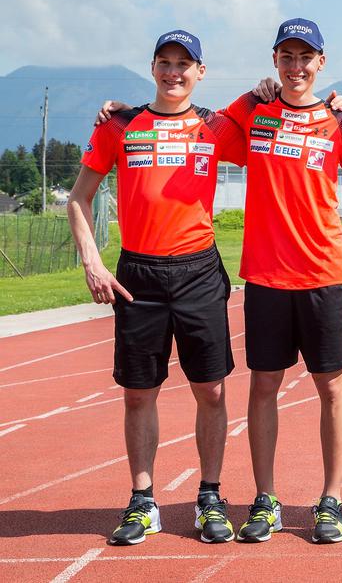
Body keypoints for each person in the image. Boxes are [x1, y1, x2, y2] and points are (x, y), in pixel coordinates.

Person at [68, 30, 245, 545]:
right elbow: (79, 197)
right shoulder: (120, 124)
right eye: (165, 63)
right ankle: (143, 501)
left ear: (200, 72)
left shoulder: (216, 127)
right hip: (138, 275)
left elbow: (276, 123)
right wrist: (92, 263)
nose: (174, 72)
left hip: (198, 271)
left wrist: (337, 104)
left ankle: (209, 495)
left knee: (211, 389)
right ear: (152, 68)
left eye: (184, 64)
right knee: (139, 393)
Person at [224, 18, 342, 544]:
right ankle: (266, 500)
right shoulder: (252, 112)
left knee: (331, 387)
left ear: (321, 63)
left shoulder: (340, 122)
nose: (296, 66)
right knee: (264, 385)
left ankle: (330, 500)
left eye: (305, 57)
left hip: (323, 273)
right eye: (287, 57)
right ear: (274, 61)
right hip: (265, 274)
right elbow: (195, 129)